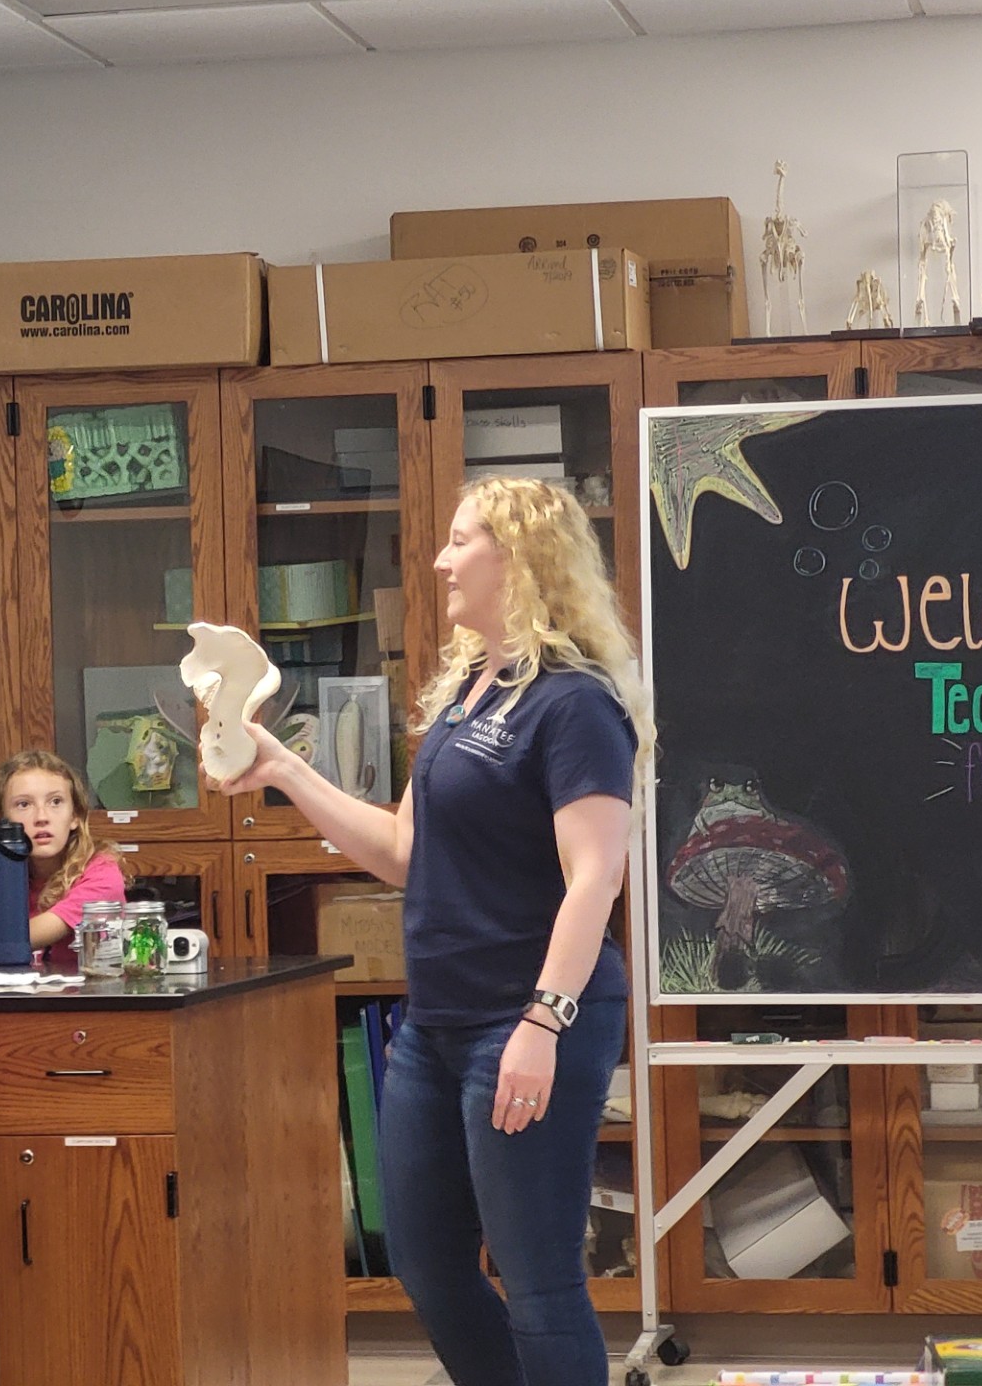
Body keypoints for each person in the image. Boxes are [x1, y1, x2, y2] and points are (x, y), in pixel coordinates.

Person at [218, 476, 654, 1386]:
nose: (439, 559)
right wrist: (286, 768)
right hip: (438, 1026)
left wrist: (544, 1021)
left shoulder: (573, 704)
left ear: (521, 560)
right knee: (427, 1263)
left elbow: (594, 879)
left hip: (528, 1021)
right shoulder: (470, 688)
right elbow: (404, 850)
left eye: (460, 542)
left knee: (537, 1283)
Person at [0, 750, 127, 970]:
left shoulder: (101, 873)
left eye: (55, 802)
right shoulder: (6, 872)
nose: (42, 817)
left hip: (83, 1001)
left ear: (75, 817)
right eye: (24, 805)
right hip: (21, 1000)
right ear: (1, 821)